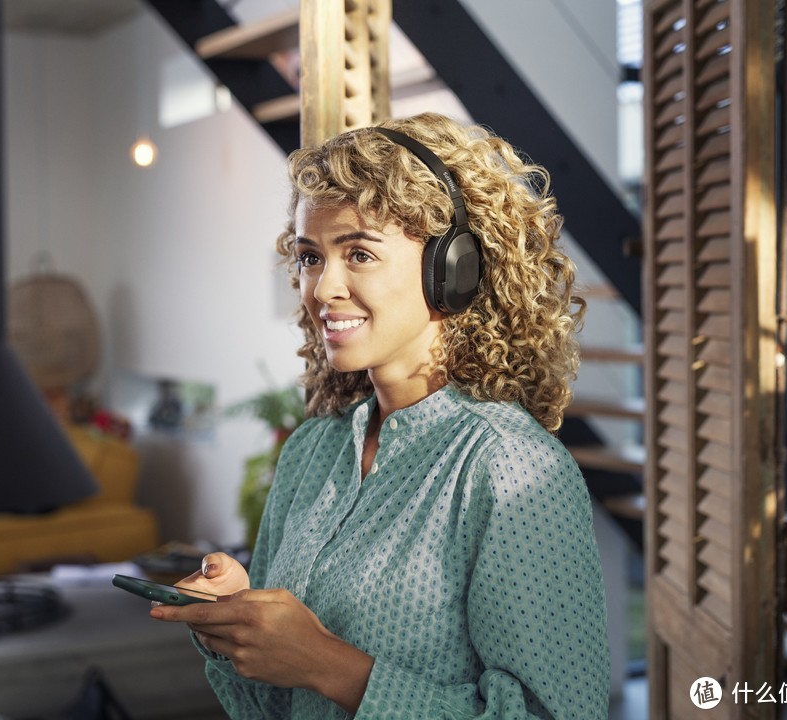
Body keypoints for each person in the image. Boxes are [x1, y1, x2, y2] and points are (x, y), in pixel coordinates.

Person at [150, 112, 609, 719]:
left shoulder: (512, 470)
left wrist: (325, 663)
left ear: (453, 270)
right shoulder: (312, 450)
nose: (321, 288)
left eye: (358, 253)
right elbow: (274, 709)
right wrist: (241, 630)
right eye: (312, 257)